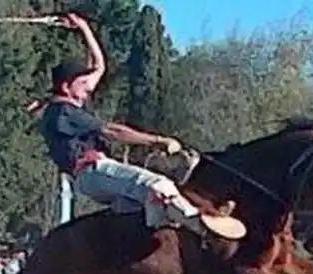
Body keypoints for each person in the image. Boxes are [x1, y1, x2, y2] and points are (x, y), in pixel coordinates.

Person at [30, 13, 207, 237]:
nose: (89, 86)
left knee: (144, 206)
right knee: (157, 184)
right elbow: (112, 131)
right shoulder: (63, 112)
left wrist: (84, 28)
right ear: (67, 86)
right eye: (83, 82)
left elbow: (99, 66)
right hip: (94, 172)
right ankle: (205, 230)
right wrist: (157, 141)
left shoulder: (63, 104)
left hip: (93, 178)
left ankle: (161, 235)